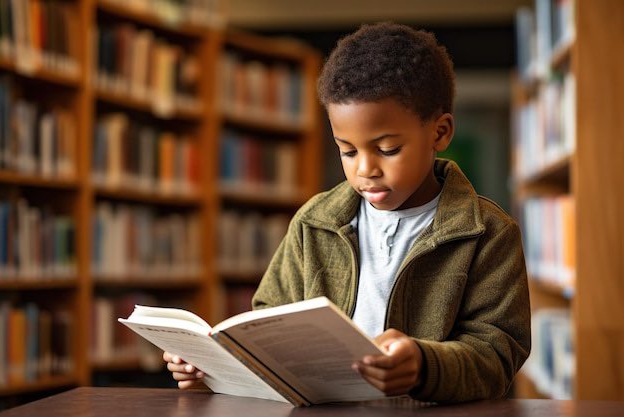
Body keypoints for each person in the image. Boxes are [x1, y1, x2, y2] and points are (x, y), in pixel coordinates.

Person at [164, 22, 530, 403]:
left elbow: (498, 353)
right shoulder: (314, 222)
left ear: (439, 133)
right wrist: (215, 367)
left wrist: (425, 365)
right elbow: (269, 323)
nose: (365, 170)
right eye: (348, 151)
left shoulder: (487, 232)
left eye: (387, 149)